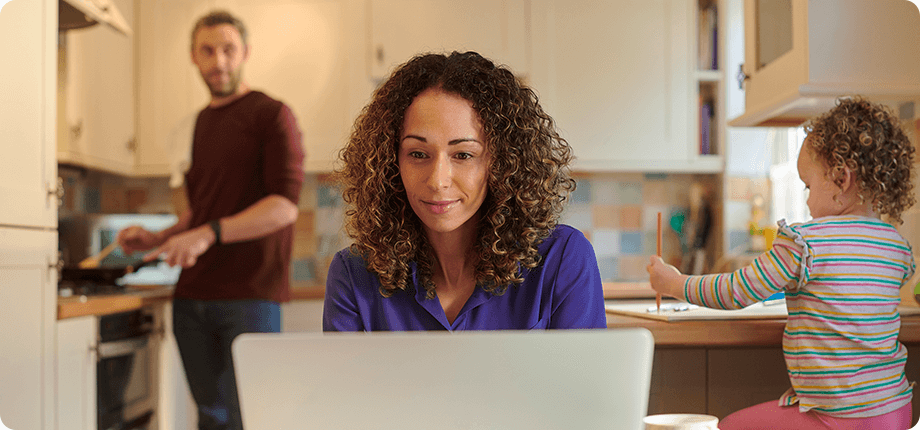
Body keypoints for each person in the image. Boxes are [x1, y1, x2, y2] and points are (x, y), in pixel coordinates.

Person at [648, 97, 916, 429]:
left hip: (835, 417)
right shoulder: (897, 247)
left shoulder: (807, 242)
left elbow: (737, 291)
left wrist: (675, 283)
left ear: (841, 179)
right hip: (895, 412)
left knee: (728, 425)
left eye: (808, 185)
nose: (805, 197)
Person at [323, 51, 606, 331]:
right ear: (390, 161)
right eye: (418, 154)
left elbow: (586, 377)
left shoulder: (562, 259)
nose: (437, 181)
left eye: (463, 155)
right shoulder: (353, 274)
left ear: (502, 162)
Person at [117, 10, 305, 430]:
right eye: (207, 51)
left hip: (250, 296)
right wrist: (158, 237)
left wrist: (208, 233)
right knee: (210, 417)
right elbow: (201, 211)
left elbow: (284, 206)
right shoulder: (194, 125)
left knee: (252, 416)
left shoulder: (273, 115)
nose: (218, 61)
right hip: (192, 297)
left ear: (245, 53)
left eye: (228, 50)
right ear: (193, 57)